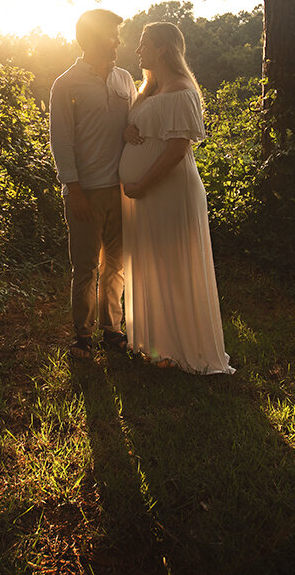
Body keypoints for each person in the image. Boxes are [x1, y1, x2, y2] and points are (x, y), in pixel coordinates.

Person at [119, 21, 234, 374]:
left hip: (168, 189)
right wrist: (127, 129)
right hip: (144, 194)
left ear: (163, 48)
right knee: (152, 262)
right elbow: (136, 126)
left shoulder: (183, 91)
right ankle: (156, 344)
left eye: (143, 44)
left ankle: (184, 349)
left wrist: (143, 185)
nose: (138, 51)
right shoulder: (150, 88)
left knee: (173, 265)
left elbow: (176, 150)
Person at [49, 9, 135, 360]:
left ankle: (111, 329)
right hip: (86, 192)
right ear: (92, 38)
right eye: (112, 34)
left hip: (124, 190)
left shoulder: (125, 79)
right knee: (86, 266)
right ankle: (82, 337)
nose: (117, 41)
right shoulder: (66, 84)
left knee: (116, 264)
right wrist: (75, 190)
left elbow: (134, 123)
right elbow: (61, 141)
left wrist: (134, 131)